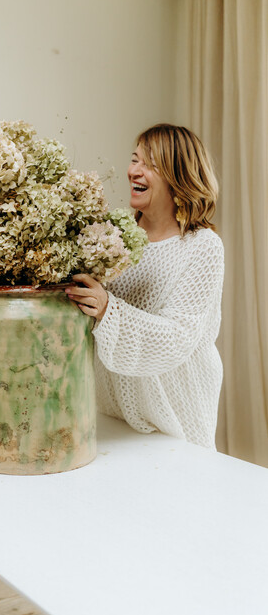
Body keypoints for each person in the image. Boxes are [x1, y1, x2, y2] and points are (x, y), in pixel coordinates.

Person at [65, 124, 224, 449]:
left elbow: (177, 338)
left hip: (176, 427)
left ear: (178, 178)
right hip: (111, 421)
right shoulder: (111, 236)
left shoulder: (202, 247)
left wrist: (108, 309)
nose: (134, 171)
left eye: (150, 165)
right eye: (135, 159)